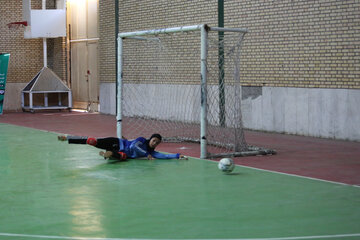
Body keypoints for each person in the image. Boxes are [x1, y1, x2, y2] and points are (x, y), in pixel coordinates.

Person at [58, 133, 188, 161]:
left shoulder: (150, 151)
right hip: (117, 142)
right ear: (150, 139)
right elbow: (133, 146)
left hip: (120, 151)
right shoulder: (141, 141)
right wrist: (146, 154)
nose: (155, 144)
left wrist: (176, 156)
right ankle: (67, 138)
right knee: (92, 141)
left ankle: (107, 154)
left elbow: (161, 155)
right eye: (154, 141)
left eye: (157, 143)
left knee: (122, 157)